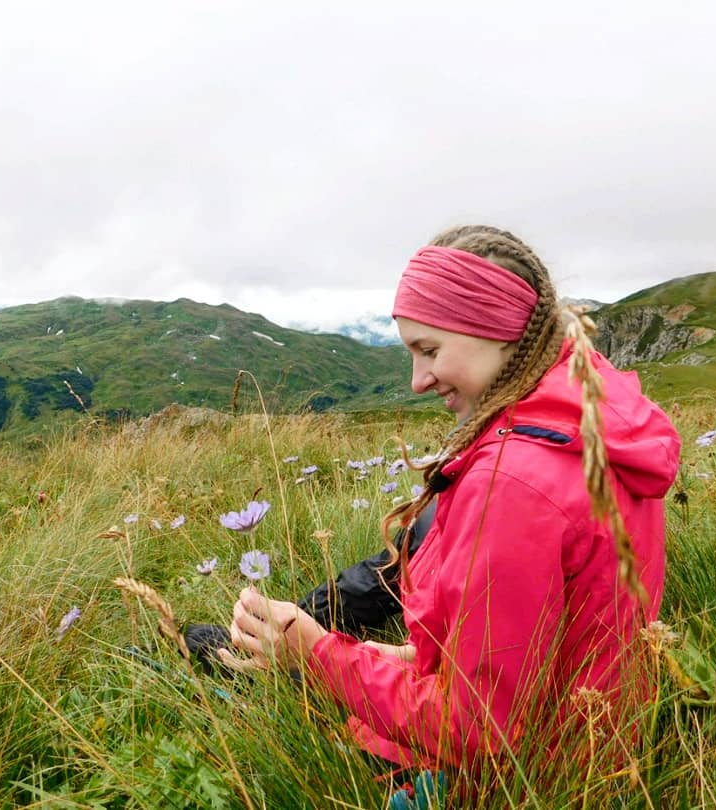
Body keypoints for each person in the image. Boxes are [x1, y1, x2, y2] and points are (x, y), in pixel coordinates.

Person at [216, 225, 681, 779]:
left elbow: (477, 732)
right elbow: (552, 646)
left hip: (526, 778)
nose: (417, 380)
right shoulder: (590, 426)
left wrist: (319, 656)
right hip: (594, 747)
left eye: (429, 350)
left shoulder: (514, 484)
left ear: (499, 329)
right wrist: (411, 659)